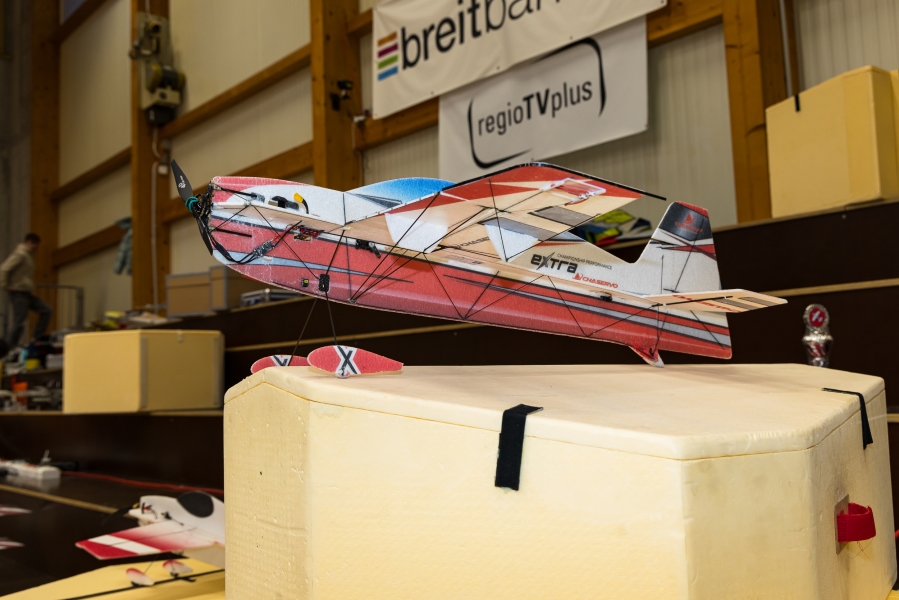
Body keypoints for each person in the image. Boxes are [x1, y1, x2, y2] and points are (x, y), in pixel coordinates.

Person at [1, 233, 52, 347]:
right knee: (20, 320)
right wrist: (5, 285)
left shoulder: (29, 256)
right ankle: (9, 347)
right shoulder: (20, 254)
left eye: (36, 244)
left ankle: (37, 337)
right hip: (18, 291)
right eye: (33, 244)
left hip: (26, 292)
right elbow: (4, 269)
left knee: (46, 310)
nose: (35, 247)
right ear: (28, 242)